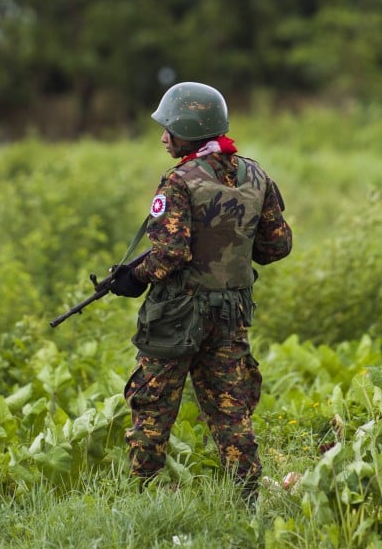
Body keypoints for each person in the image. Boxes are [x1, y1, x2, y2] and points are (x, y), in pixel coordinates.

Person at [108, 81, 292, 503]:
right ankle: (247, 498)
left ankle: (139, 494)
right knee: (231, 410)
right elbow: (278, 246)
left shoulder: (179, 180)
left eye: (168, 128)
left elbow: (170, 254)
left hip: (177, 315)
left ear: (188, 130)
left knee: (152, 404)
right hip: (230, 314)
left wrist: (134, 278)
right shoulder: (256, 175)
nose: (162, 136)